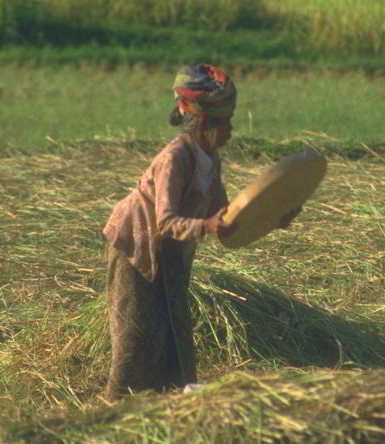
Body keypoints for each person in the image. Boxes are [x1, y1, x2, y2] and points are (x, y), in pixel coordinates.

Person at [102, 64, 298, 398]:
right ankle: (116, 406)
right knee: (136, 332)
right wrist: (205, 225)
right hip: (135, 245)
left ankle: (171, 396)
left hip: (169, 249)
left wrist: (273, 216)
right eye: (227, 122)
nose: (232, 130)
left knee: (172, 327)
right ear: (206, 123)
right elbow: (165, 220)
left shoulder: (210, 159)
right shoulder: (175, 158)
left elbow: (226, 219)